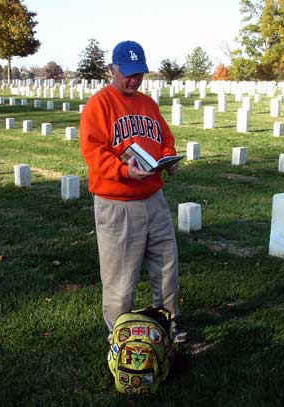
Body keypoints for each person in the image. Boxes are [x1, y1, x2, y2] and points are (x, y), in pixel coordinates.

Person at [80, 40, 184, 343]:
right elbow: (94, 152)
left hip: (154, 198)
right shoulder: (99, 105)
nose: (134, 79)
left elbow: (165, 137)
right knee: (120, 282)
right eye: (127, 73)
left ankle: (168, 327)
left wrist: (169, 158)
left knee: (166, 269)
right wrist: (124, 171)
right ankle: (119, 338)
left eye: (139, 73)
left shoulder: (148, 104)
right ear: (112, 70)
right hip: (117, 204)